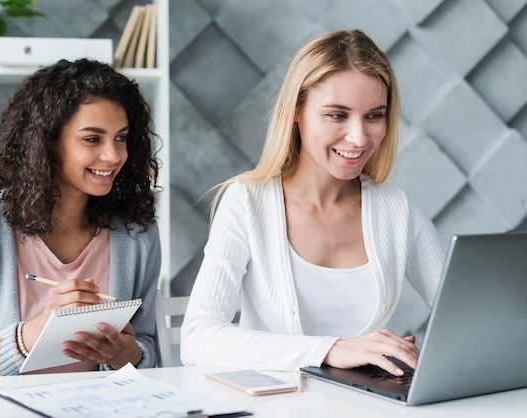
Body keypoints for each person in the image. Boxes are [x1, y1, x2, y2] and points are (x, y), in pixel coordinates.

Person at [180, 30, 444, 376]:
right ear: (296, 111)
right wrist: (330, 350)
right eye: (337, 115)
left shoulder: (395, 207)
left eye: (374, 115)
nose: (359, 137)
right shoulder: (247, 202)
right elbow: (198, 339)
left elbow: (466, 313)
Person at [0, 58, 161, 377]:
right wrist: (31, 335)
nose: (114, 155)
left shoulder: (136, 231)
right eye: (92, 139)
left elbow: (147, 347)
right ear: (46, 142)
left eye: (121, 137)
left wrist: (128, 353)